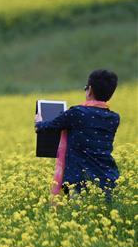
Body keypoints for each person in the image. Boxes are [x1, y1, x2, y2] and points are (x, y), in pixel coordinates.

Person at [35, 69, 120, 202]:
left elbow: (47, 127)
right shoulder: (114, 118)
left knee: (79, 215)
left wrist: (39, 122)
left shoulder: (77, 113)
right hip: (107, 177)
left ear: (90, 89)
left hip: (78, 179)